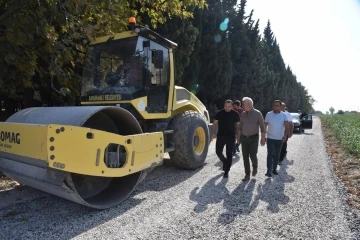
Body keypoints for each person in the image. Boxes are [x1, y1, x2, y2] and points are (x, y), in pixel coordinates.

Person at [238, 97, 266, 181]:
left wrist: (263, 138)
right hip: (244, 138)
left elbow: (262, 127)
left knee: (253, 155)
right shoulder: (243, 114)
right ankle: (247, 174)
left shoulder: (258, 113)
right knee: (245, 156)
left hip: (254, 138)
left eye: (243, 104)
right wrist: (238, 137)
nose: (242, 106)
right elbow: (240, 127)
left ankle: (255, 167)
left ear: (249, 104)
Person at [211, 100, 240, 178]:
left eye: (229, 106)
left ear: (232, 106)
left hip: (231, 137)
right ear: (224, 106)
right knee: (218, 152)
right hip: (220, 136)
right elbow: (214, 124)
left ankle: (226, 171)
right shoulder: (219, 113)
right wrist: (212, 134)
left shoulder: (235, 114)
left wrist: (237, 136)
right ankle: (225, 161)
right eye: (226, 106)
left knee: (229, 154)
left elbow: (238, 125)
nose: (227, 108)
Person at [264, 100, 289, 177]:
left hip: (280, 139)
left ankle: (274, 169)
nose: (276, 107)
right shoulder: (269, 114)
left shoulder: (284, 115)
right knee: (270, 154)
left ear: (280, 106)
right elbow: (265, 125)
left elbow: (286, 127)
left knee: (277, 155)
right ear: (273, 106)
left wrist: (285, 136)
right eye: (274, 105)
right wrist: (263, 135)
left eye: (277, 105)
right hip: (270, 138)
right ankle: (269, 170)